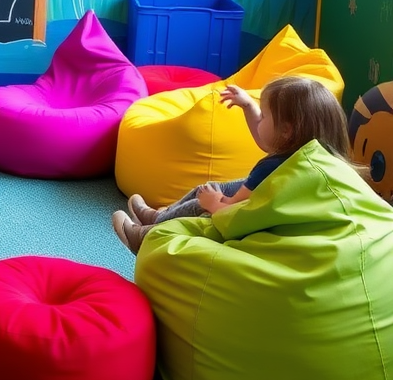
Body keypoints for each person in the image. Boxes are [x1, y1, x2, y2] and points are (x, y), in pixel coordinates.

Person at [112, 74, 351, 254]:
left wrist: (213, 204)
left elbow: (236, 213)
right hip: (266, 204)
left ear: (286, 131)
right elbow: (263, 136)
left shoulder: (270, 169)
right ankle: (157, 218)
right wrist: (248, 105)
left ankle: (145, 237)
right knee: (209, 187)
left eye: (265, 116)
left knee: (201, 204)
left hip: (254, 217)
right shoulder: (308, 154)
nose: (260, 120)